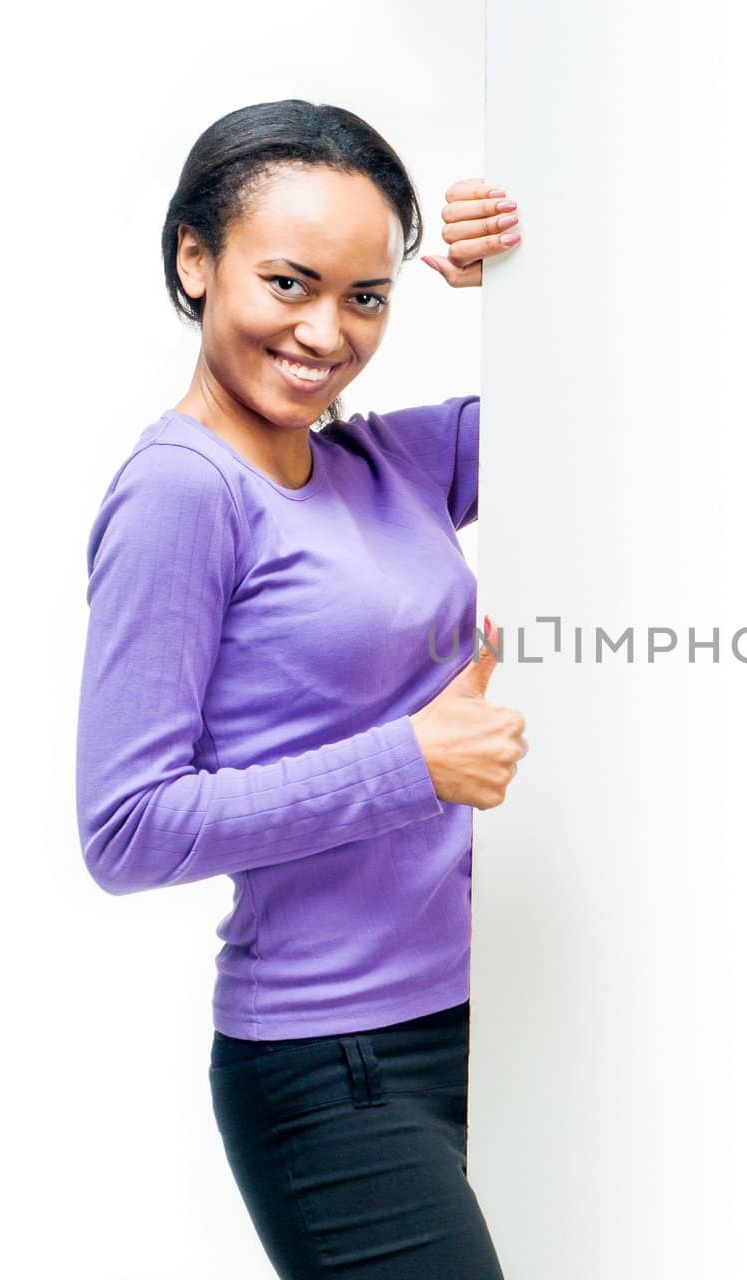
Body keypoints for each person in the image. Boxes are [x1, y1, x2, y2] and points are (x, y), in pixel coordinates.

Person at [73, 99, 527, 1279]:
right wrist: (410, 763)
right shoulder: (183, 490)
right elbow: (126, 828)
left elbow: (607, 418)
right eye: (289, 282)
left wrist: (532, 279)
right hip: (335, 1066)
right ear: (195, 258)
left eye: (364, 296)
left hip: (489, 1017)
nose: (325, 332)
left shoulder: (387, 460)